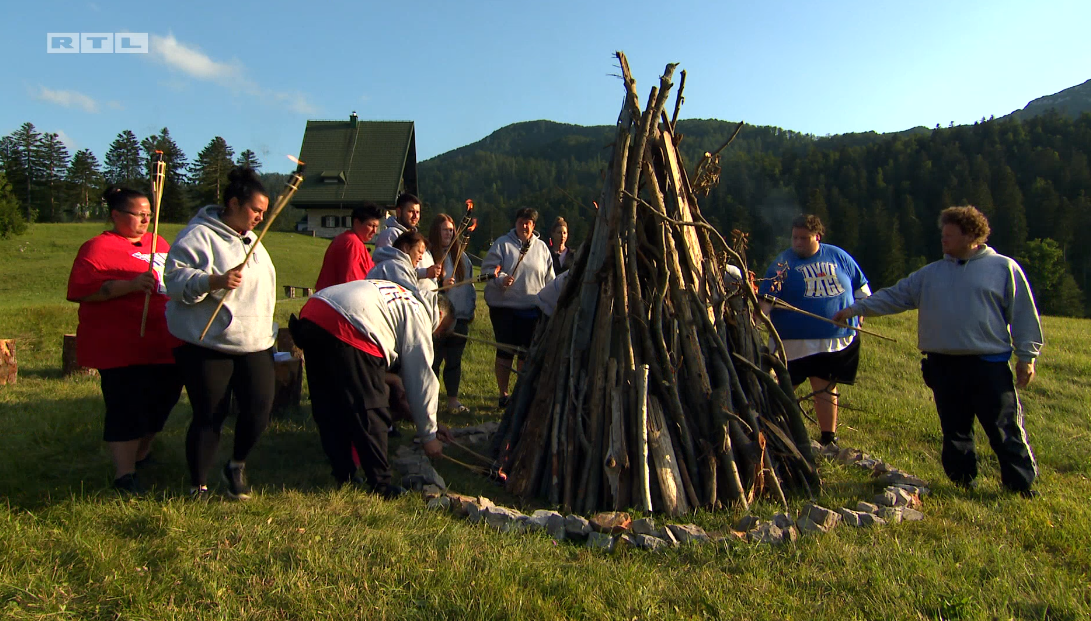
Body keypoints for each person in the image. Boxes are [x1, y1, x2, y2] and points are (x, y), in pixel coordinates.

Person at [833, 206, 1042, 497]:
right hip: (943, 365)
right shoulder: (930, 274)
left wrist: (1027, 357)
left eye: (949, 235)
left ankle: (1020, 485)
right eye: (942, 234)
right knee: (955, 429)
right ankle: (962, 481)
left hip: (988, 364)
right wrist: (855, 309)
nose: (943, 240)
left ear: (971, 236)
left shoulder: (1002, 268)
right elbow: (896, 296)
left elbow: (1023, 314)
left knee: (1003, 428)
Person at [164, 167, 277, 500]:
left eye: (263, 212)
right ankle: (198, 483)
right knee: (210, 413)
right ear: (233, 203)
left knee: (259, 408)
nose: (260, 217)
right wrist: (213, 281)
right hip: (209, 341)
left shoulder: (253, 242)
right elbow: (175, 282)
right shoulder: (197, 236)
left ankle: (236, 464)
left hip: (254, 341)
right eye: (255, 209)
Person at [66, 186, 183, 495]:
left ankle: (142, 454)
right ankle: (124, 474)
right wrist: (129, 286)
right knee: (126, 405)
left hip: (164, 340)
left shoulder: (158, 242)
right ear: (116, 215)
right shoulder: (97, 248)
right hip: (120, 344)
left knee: (163, 400)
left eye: (149, 214)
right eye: (138, 214)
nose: (145, 220)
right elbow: (83, 290)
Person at [290, 280, 454, 494]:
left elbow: (398, 385)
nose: (437, 336)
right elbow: (421, 379)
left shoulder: (401, 296)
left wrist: (430, 423)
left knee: (330, 402)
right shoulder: (419, 314)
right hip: (349, 324)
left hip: (314, 312)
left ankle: (344, 474)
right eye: (441, 332)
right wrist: (429, 437)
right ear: (440, 316)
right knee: (371, 409)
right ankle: (381, 484)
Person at [758, 215, 870, 446]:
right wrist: (757, 319)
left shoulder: (839, 257)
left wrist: (859, 315)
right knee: (784, 390)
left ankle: (829, 437)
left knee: (825, 387)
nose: (797, 243)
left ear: (817, 237)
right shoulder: (783, 264)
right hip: (793, 343)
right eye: (794, 237)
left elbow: (861, 289)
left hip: (834, 341)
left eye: (804, 238)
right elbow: (766, 300)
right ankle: (770, 431)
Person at [482, 207, 555, 406]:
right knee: (505, 352)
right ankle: (503, 395)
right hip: (504, 308)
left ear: (534, 226)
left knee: (526, 354)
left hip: (531, 309)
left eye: (529, 222)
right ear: (516, 223)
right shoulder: (502, 244)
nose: (525, 225)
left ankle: (521, 394)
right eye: (522, 221)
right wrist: (501, 279)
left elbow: (550, 279)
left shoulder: (541, 249)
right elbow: (489, 270)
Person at [428, 214, 476, 415]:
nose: (448, 233)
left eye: (451, 230)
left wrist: (469, 310)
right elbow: (423, 286)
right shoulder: (429, 255)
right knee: (434, 362)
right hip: (437, 319)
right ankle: (430, 401)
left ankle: (452, 400)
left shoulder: (461, 256)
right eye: (444, 229)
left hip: (461, 317)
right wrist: (440, 286)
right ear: (436, 232)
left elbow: (469, 286)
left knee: (454, 362)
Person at [372, 193, 441, 291]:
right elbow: (393, 270)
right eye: (411, 211)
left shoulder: (417, 238)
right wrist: (425, 273)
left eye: (417, 212)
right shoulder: (390, 234)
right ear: (399, 212)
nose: (415, 216)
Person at [314, 203, 382, 291]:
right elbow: (352, 283)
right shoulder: (352, 243)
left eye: (376, 226)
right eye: (370, 225)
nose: (374, 231)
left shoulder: (347, 240)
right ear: (356, 222)